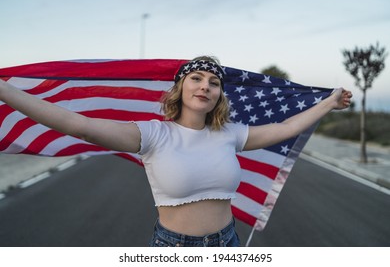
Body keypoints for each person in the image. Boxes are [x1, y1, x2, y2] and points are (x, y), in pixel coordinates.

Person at [0, 56, 352, 247]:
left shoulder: (229, 133)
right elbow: (75, 124)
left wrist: (330, 102)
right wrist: (4, 91)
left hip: (227, 243)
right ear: (180, 87)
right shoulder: (153, 134)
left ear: (219, 95)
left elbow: (285, 129)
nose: (206, 86)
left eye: (214, 83)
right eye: (196, 78)